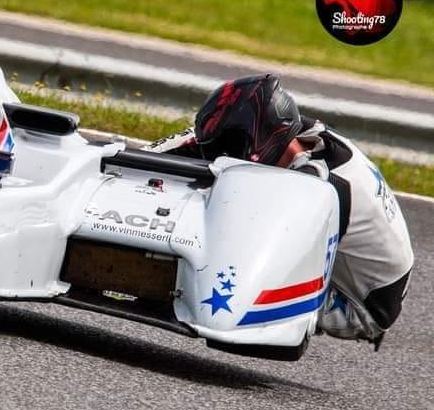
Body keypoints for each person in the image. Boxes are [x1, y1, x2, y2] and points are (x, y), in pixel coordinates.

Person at [144, 74, 413, 349]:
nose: (225, 154)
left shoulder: (323, 184)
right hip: (359, 268)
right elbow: (196, 142)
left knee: (214, 263)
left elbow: (259, 245)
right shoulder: (290, 129)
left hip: (360, 306)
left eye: (234, 145)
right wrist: (141, 158)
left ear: (267, 139)